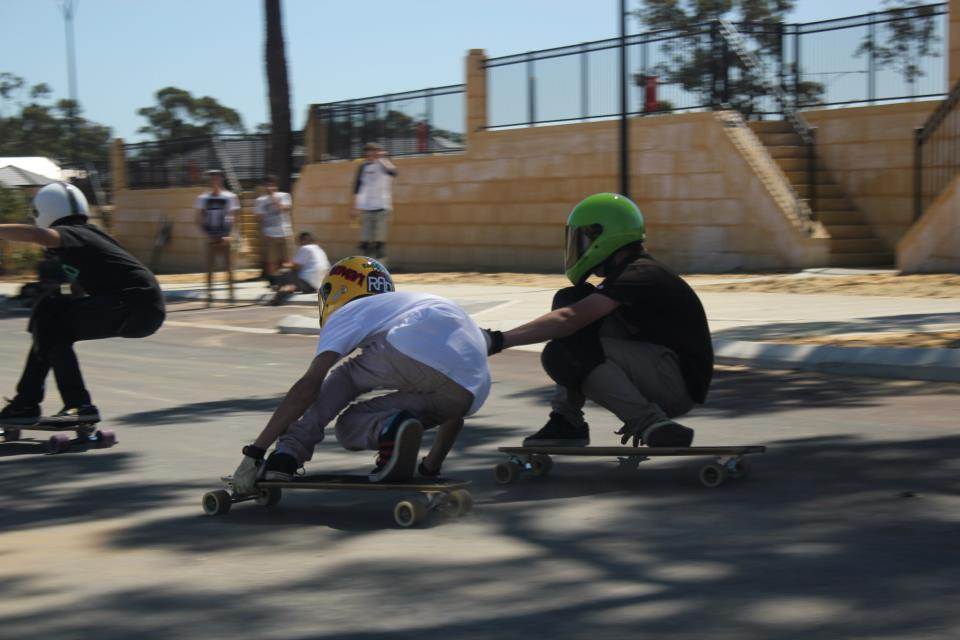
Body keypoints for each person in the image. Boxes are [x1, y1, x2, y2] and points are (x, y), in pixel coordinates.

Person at [232, 256, 490, 493]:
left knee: (345, 382)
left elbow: (308, 387)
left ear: (339, 290)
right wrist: (431, 467)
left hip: (409, 347)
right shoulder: (408, 305)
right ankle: (410, 445)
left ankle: (286, 456)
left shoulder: (350, 311)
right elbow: (458, 398)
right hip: (472, 390)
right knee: (368, 420)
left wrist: (255, 451)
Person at [483, 193, 713, 448]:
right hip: (660, 370)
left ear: (604, 235)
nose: (578, 246)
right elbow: (573, 315)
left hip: (675, 383)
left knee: (565, 351)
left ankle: (649, 423)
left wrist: (498, 340)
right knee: (572, 300)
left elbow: (569, 319)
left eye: (583, 238)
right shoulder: (632, 272)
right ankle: (566, 421)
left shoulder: (640, 273)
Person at [0, 182, 166, 427]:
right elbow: (80, 288)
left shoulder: (73, 232)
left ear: (44, 212)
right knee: (49, 325)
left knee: (49, 314)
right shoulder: (87, 237)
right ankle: (26, 402)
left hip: (133, 302)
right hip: (142, 307)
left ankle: (75, 404)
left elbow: (35, 235)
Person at [195, 169, 239, 305]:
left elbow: (233, 217)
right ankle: (209, 295)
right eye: (212, 178)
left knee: (229, 267)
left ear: (221, 179)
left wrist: (229, 235)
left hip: (225, 237)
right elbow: (198, 218)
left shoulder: (230, 197)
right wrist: (207, 234)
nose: (214, 181)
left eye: (217, 178)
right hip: (211, 236)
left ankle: (231, 295)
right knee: (209, 268)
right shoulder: (203, 198)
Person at [351, 143, 396, 262]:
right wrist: (355, 207)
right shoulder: (362, 167)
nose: (370, 156)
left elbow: (393, 173)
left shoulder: (384, 164)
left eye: (373, 152)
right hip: (366, 208)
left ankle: (381, 267)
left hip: (382, 207)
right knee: (365, 242)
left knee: (379, 244)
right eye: (368, 153)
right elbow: (357, 187)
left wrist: (381, 159)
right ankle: (367, 266)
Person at [269, 231, 331, 305]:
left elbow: (295, 265)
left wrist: (283, 265)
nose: (299, 244)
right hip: (317, 285)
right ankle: (290, 288)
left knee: (286, 272)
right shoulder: (319, 249)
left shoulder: (306, 248)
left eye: (300, 241)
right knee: (294, 277)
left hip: (307, 281)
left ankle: (280, 294)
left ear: (304, 240)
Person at [253, 174, 293, 281]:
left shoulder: (284, 196)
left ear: (276, 185)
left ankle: (288, 282)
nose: (269, 187)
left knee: (287, 260)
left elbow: (286, 209)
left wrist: (274, 199)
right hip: (270, 234)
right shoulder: (260, 200)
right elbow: (259, 217)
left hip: (285, 232)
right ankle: (274, 282)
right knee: (271, 262)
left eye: (271, 184)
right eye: (267, 185)